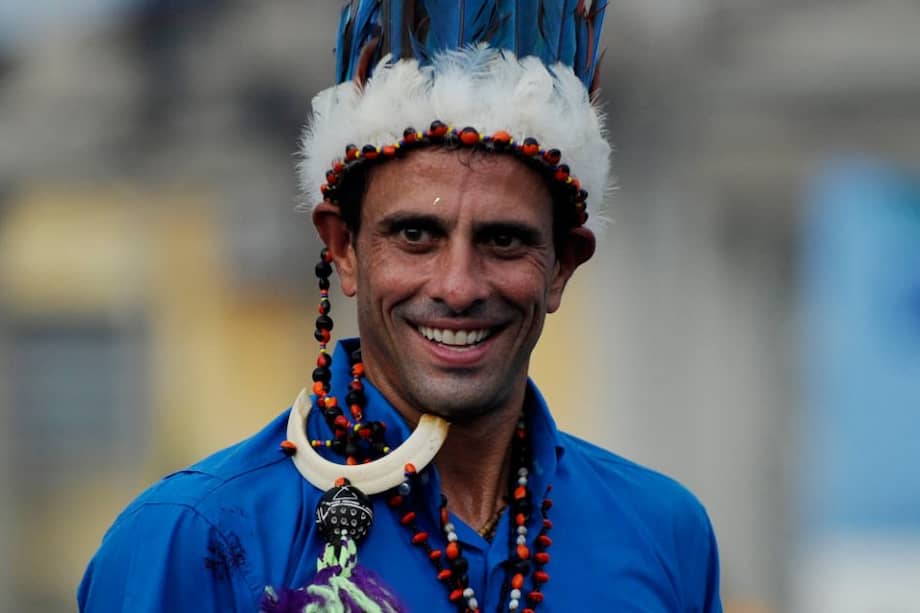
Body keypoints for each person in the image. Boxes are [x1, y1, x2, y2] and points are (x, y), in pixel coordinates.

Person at [79, 2, 721, 611]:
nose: (459, 286)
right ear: (344, 248)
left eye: (503, 240)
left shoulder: (661, 533)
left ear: (563, 266)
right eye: (416, 236)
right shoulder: (199, 540)